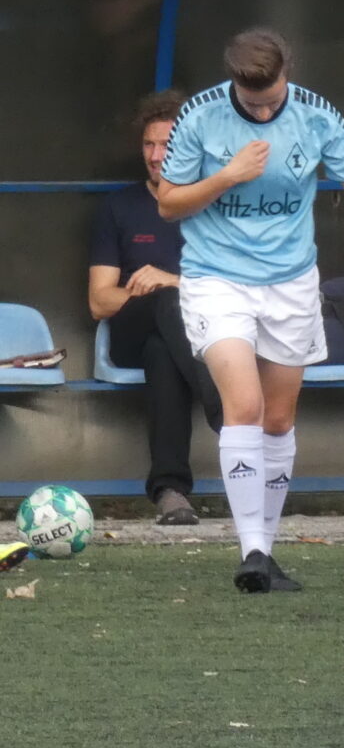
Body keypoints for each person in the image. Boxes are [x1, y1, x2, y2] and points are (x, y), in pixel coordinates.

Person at [158, 28, 344, 593]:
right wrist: (227, 176)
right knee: (246, 406)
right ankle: (251, 549)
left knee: (279, 420)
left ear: (288, 72)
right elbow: (168, 203)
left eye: (271, 99)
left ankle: (265, 549)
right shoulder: (200, 117)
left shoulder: (317, 116)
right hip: (216, 278)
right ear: (233, 81)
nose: (262, 111)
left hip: (291, 283)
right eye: (251, 102)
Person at [90, 91, 220, 525]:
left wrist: (173, 281)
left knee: (162, 350)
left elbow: (237, 286)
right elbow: (99, 300)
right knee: (164, 305)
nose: (155, 155)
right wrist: (157, 293)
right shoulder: (120, 206)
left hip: (199, 333)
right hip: (132, 331)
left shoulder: (211, 205)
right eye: (149, 144)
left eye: (166, 144)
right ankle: (223, 409)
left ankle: (170, 491)